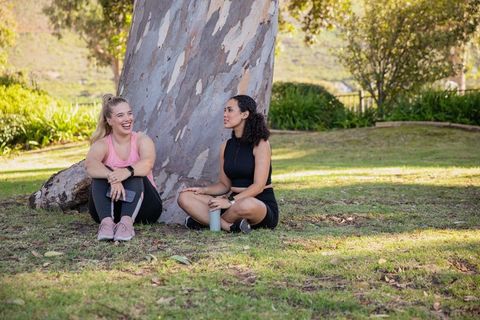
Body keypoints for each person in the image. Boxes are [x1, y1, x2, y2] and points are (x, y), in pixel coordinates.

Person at [177, 95, 279, 233]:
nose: (225, 114)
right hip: (231, 203)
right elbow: (225, 185)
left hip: (258, 204)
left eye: (230, 110)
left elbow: (259, 186)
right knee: (185, 197)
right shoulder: (226, 146)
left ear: (244, 114)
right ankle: (230, 226)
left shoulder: (261, 144)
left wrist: (230, 201)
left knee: (245, 204)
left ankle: (207, 221)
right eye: (224, 110)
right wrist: (203, 191)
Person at [85, 94, 162, 241]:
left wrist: (126, 172)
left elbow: (147, 164)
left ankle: (126, 224)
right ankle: (107, 224)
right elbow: (90, 165)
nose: (128, 119)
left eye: (129, 113)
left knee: (136, 172)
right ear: (109, 120)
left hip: (145, 208)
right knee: (100, 175)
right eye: (120, 115)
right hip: (109, 208)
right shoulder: (102, 144)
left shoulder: (142, 140)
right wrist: (113, 177)